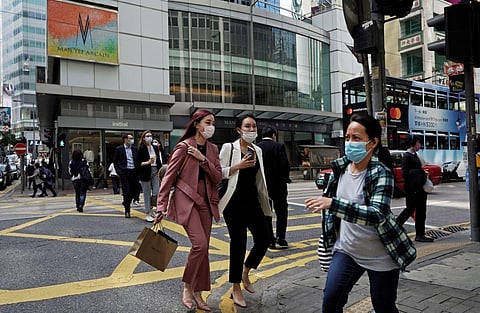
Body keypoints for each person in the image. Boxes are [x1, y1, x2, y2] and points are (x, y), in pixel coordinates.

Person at [304, 114, 416, 313]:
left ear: (372, 142)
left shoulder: (381, 173)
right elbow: (331, 210)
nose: (349, 143)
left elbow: (377, 214)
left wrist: (333, 204)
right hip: (347, 251)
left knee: (383, 307)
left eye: (356, 138)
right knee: (330, 303)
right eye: (347, 138)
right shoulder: (339, 169)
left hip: (381, 255)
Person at [154, 110, 221, 311]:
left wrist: (203, 159)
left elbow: (217, 177)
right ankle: (187, 286)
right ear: (197, 124)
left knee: (204, 250)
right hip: (187, 200)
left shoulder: (213, 149)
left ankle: (199, 293)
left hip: (207, 202)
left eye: (213, 123)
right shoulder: (184, 147)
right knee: (199, 245)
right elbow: (168, 178)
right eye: (208, 122)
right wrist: (161, 205)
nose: (211, 126)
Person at [218, 113, 271, 308]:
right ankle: (236, 286)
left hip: (253, 201)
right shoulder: (228, 148)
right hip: (233, 202)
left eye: (254, 126)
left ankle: (246, 270)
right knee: (238, 243)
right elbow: (217, 173)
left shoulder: (257, 149)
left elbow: (259, 178)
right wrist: (236, 166)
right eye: (247, 126)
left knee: (264, 239)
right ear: (239, 129)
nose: (251, 130)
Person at [257, 125, 291, 249]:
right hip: (279, 186)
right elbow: (285, 165)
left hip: (263, 187)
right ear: (273, 135)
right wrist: (285, 179)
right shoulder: (279, 146)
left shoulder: (257, 148)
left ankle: (269, 239)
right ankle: (281, 238)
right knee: (281, 213)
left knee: (266, 213)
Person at [396, 136, 434, 242]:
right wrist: (421, 173)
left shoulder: (415, 155)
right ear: (413, 144)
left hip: (419, 187)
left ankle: (420, 234)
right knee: (410, 209)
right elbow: (405, 174)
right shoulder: (407, 156)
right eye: (418, 143)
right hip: (413, 188)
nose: (420, 145)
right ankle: (395, 226)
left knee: (421, 210)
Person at [136, 130, 161, 222]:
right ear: (143, 138)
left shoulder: (155, 147)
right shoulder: (141, 148)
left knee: (156, 192)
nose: (149, 137)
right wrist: (148, 162)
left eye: (150, 136)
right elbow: (138, 163)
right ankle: (147, 213)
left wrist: (160, 170)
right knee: (146, 193)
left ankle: (151, 207)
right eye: (147, 136)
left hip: (155, 171)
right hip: (145, 172)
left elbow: (158, 160)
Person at [113, 133, 140, 218]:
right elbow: (115, 161)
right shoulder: (119, 149)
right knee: (126, 191)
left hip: (134, 172)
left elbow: (138, 160)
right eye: (130, 138)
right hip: (124, 172)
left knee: (136, 189)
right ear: (125, 139)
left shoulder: (135, 149)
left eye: (132, 138)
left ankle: (128, 201)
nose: (131, 140)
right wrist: (119, 171)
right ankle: (127, 210)